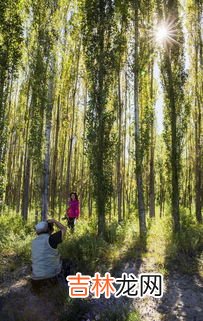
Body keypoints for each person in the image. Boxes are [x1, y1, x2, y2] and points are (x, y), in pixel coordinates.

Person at [31, 218, 67, 291]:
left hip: (35, 280)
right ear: (49, 230)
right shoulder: (51, 239)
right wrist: (54, 221)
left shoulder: (33, 242)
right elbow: (64, 229)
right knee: (67, 263)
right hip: (51, 277)